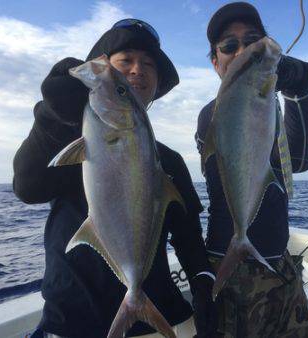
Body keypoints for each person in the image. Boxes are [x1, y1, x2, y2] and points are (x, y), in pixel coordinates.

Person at [14, 19, 216, 338]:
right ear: (101, 68)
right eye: (126, 60)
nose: (138, 69)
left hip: (154, 318)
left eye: (149, 64)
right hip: (70, 320)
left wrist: (203, 283)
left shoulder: (172, 161)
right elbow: (27, 186)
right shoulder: (67, 142)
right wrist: (51, 118)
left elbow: (188, 234)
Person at [195, 2, 308, 337]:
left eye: (252, 40)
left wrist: (300, 92)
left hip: (280, 264)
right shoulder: (216, 113)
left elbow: (299, 162)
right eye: (229, 46)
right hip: (232, 268)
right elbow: (233, 123)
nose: (242, 50)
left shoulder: (266, 106)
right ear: (215, 62)